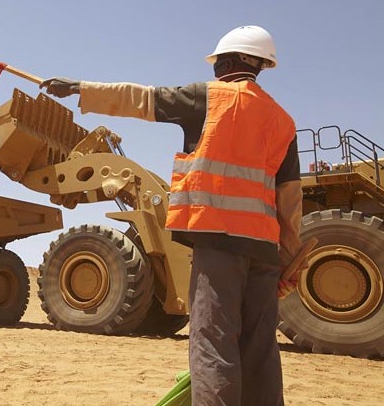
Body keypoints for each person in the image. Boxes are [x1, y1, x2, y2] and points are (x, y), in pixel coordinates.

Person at [39, 25, 303, 406]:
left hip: (217, 241)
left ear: (232, 61)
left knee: (213, 342)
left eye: (220, 61)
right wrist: (288, 259)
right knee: (260, 348)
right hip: (263, 248)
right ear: (261, 64)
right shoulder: (283, 120)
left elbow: (141, 99)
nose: (216, 68)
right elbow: (289, 198)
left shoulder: (208, 98)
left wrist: (81, 88)